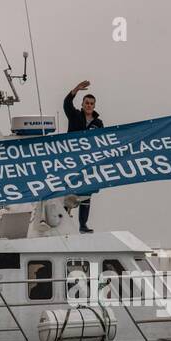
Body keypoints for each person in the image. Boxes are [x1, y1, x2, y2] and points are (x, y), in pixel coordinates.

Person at [63, 79, 105, 233]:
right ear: (82, 104)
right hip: (71, 161)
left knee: (87, 192)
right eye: (86, 103)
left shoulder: (98, 123)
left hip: (88, 163)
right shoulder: (74, 115)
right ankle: (63, 222)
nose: (88, 105)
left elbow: (102, 142)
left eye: (91, 104)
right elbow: (67, 104)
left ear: (94, 106)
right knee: (68, 192)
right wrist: (75, 89)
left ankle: (83, 225)